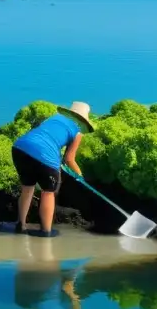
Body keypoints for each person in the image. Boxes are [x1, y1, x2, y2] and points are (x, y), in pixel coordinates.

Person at [10, 101, 94, 237]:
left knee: (27, 188)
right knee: (48, 193)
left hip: (20, 149)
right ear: (83, 120)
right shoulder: (78, 132)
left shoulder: (54, 117)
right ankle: (46, 231)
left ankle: (21, 224)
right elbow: (69, 159)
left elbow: (45, 136)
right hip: (46, 156)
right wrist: (80, 176)